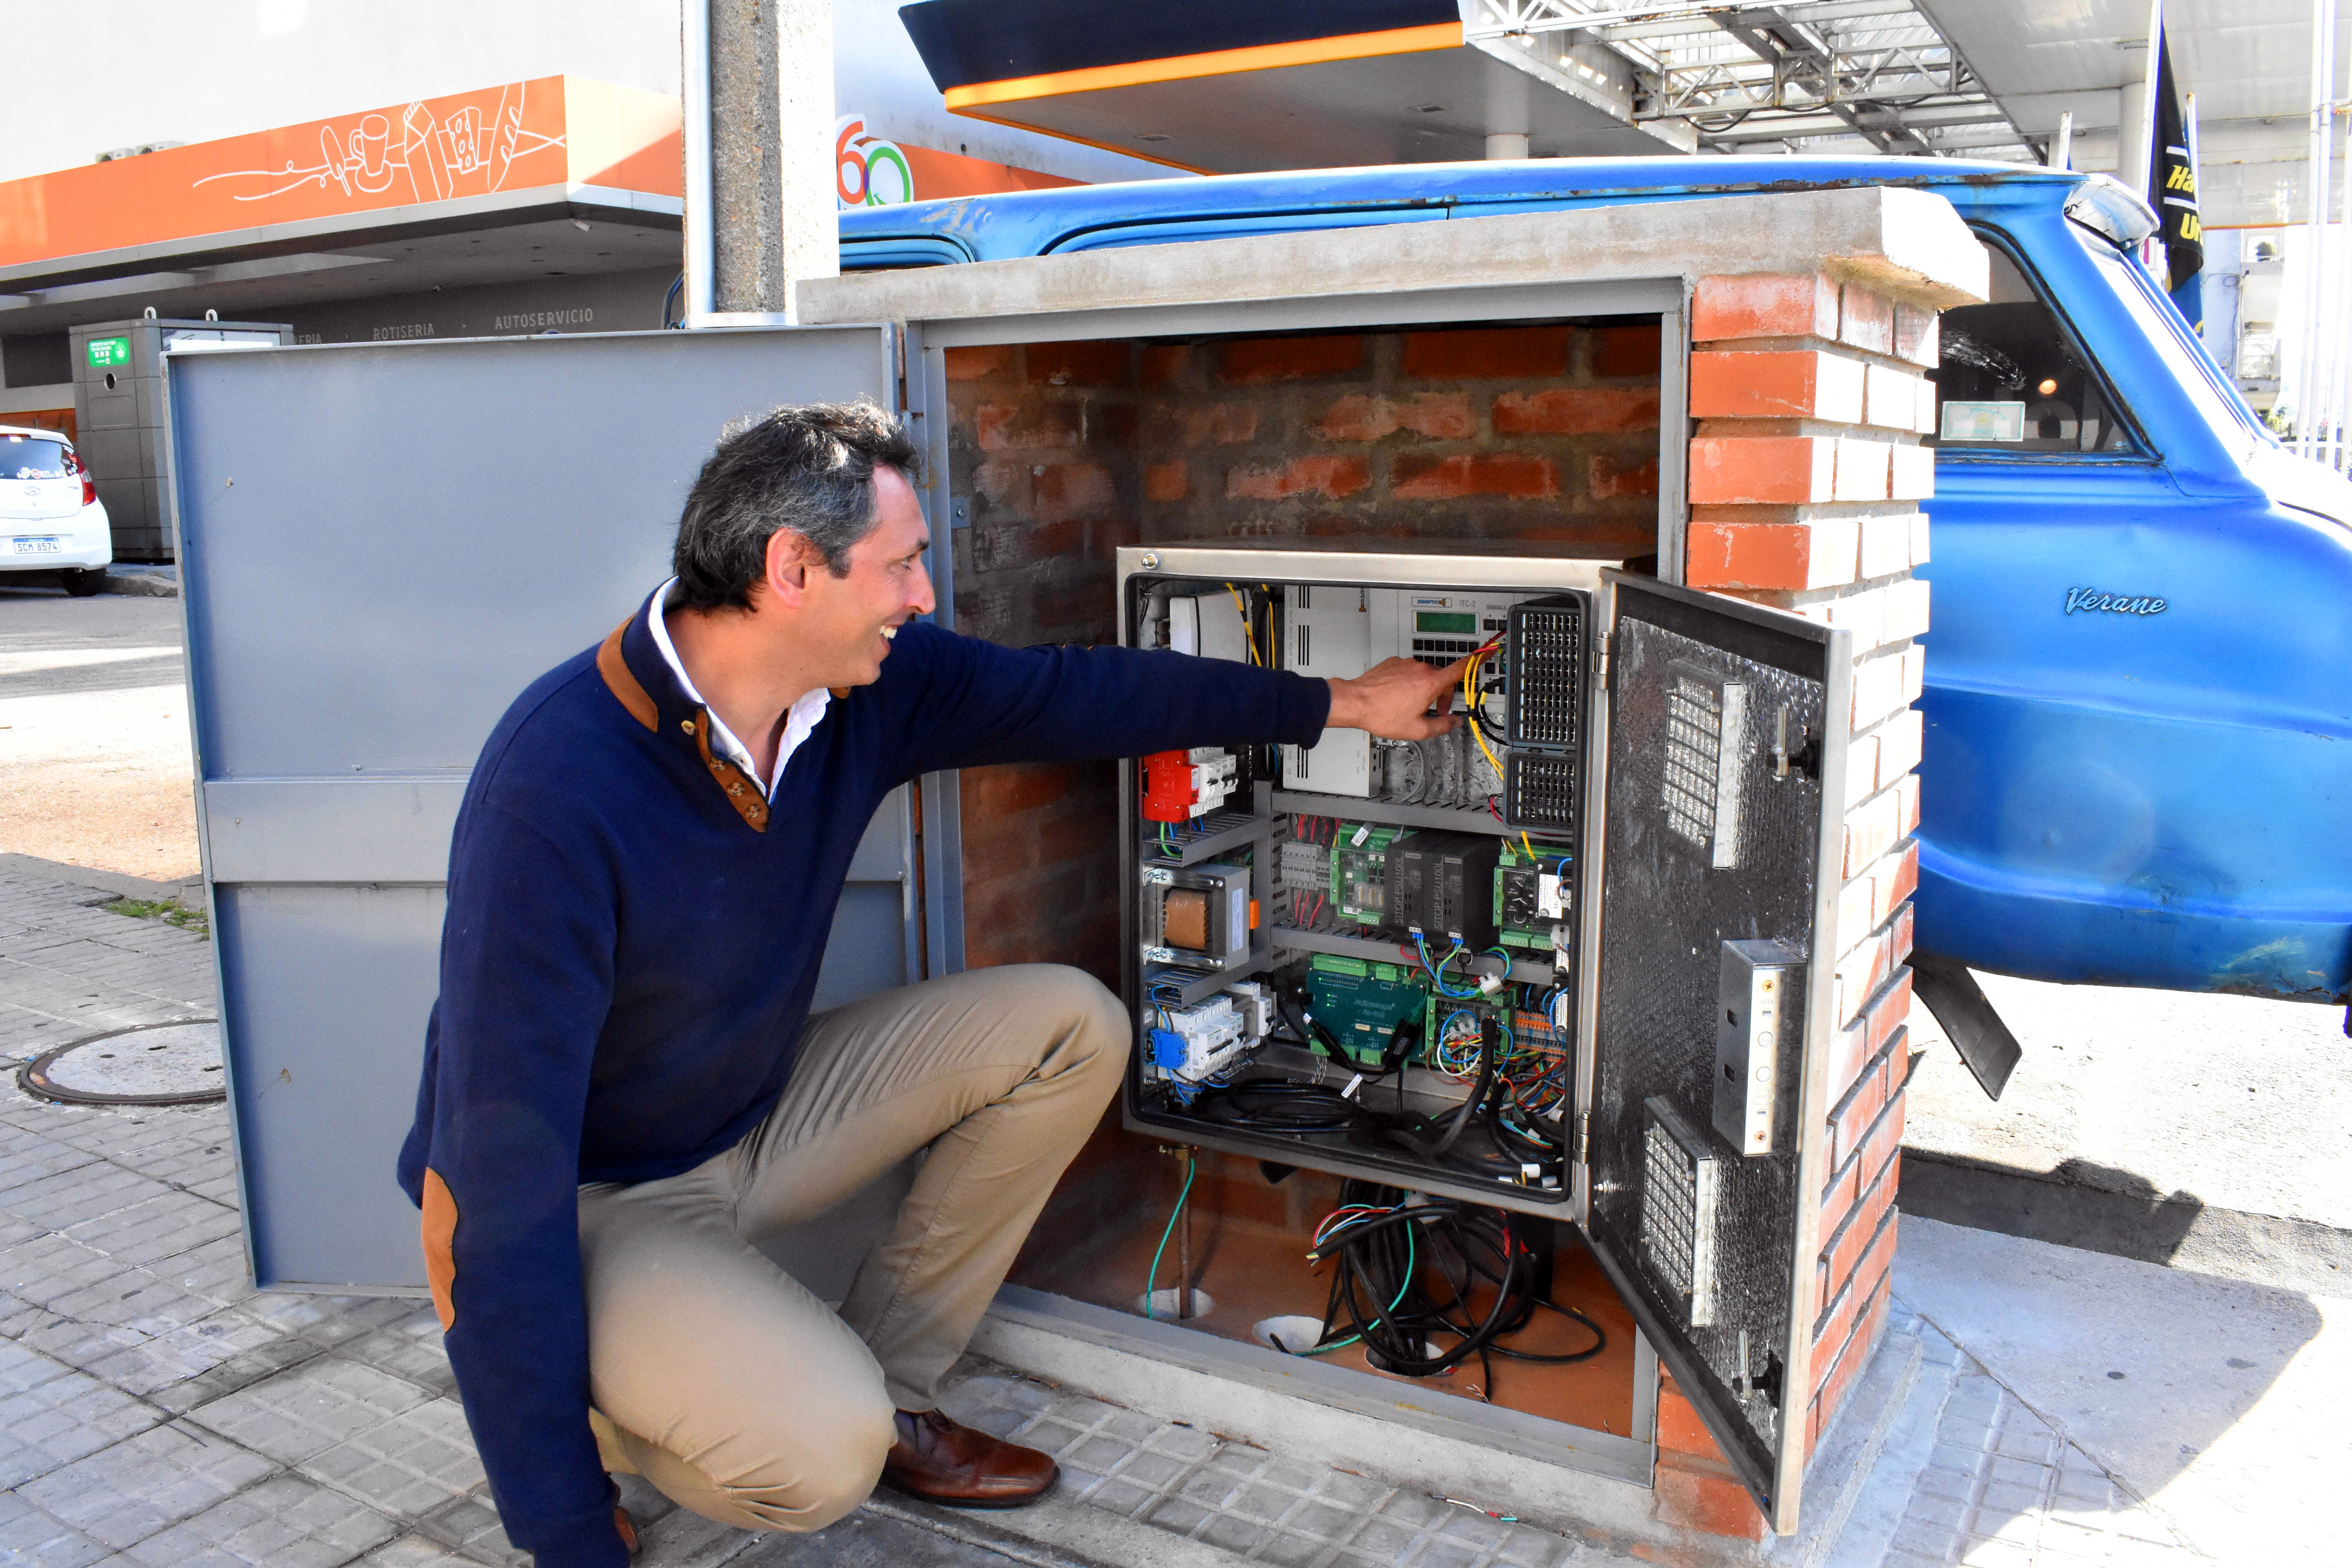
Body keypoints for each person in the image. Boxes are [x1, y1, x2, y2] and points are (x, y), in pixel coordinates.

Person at [396, 402, 1464, 1567]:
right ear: (790, 569)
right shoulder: (556, 789)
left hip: (753, 1113)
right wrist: (558, 1529)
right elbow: (490, 1184)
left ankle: (891, 1388)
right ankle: (621, 1416)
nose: (919, 599)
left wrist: (1345, 705)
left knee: (1069, 1027)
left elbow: (1083, 695)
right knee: (815, 1461)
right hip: (600, 1188)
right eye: (900, 567)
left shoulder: (864, 689)